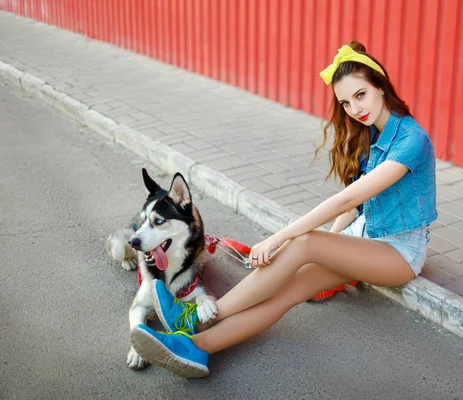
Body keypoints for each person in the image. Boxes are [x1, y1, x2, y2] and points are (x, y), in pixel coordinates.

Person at [130, 40, 438, 378]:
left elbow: (346, 200)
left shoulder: (411, 139)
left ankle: (193, 318)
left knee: (304, 242)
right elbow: (357, 205)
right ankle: (197, 348)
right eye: (345, 102)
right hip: (365, 239)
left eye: (360, 95)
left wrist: (277, 240)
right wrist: (334, 248)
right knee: (289, 289)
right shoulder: (371, 136)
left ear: (381, 86)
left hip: (400, 252)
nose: (354, 109)